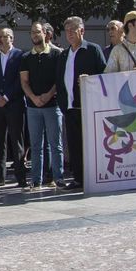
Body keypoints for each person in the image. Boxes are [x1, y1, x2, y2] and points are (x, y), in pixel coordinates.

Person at [60, 18, 105, 190]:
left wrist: (90, 80)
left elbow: (104, 74)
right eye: (67, 30)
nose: (70, 33)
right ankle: (78, 178)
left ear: (82, 31)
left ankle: (95, 177)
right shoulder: (64, 54)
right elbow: (60, 79)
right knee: (74, 145)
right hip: (70, 108)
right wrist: (63, 104)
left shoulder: (92, 50)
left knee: (91, 145)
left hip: (88, 107)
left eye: (73, 29)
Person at [20, 22, 64, 191]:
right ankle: (36, 180)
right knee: (36, 145)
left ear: (45, 33)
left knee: (55, 144)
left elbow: (59, 80)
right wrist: (33, 97)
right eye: (32, 32)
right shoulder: (26, 57)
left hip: (53, 105)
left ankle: (58, 178)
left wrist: (48, 95)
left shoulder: (57, 54)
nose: (35, 35)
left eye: (38, 32)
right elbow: (24, 82)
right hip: (33, 107)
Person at [0, 27, 26, 188]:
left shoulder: (20, 55)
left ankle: (20, 176)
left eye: (4, 37)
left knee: (16, 140)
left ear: (11, 38)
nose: (0, 40)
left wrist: (7, 96)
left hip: (14, 103)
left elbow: (20, 80)